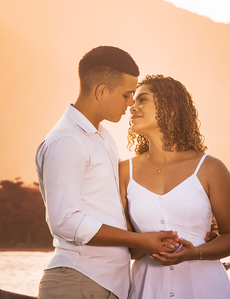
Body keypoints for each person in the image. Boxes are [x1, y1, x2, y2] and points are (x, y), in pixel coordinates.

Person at [36, 46, 181, 299]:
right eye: (127, 94)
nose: (130, 103)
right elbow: (64, 221)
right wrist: (140, 240)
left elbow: (115, 209)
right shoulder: (68, 141)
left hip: (104, 285)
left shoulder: (102, 137)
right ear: (101, 91)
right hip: (79, 282)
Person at [121, 75, 230, 299]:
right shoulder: (123, 172)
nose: (133, 107)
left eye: (143, 100)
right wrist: (147, 243)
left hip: (204, 288)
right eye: (133, 101)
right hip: (148, 289)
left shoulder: (210, 168)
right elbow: (129, 247)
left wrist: (194, 252)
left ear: (171, 109)